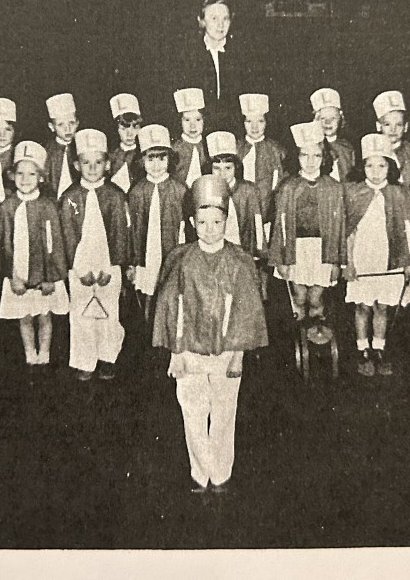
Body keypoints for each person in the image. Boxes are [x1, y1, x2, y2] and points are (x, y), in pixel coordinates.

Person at [152, 174, 268, 494]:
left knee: (224, 408)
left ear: (226, 220)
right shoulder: (179, 259)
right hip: (188, 348)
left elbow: (247, 311)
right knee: (192, 408)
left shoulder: (240, 261)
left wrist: (238, 355)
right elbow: (170, 307)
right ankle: (199, 471)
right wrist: (176, 353)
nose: (210, 229)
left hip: (227, 350)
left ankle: (221, 472)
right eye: (202, 222)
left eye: (216, 221)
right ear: (192, 222)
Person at [343, 134, 410, 377]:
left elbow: (408, 229)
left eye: (382, 165)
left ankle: (379, 348)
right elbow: (348, 233)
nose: (376, 172)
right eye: (370, 165)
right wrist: (349, 262)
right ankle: (361, 348)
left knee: (382, 308)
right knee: (363, 306)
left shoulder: (399, 194)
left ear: (391, 167)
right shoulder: (354, 193)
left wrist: (408, 262)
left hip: (389, 259)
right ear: (362, 167)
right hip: (363, 257)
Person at [0, 140, 69, 368]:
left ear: (41, 177)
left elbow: (56, 246)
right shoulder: (6, 207)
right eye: (20, 174)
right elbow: (0, 243)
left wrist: (51, 277)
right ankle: (29, 353)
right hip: (17, 274)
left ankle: (44, 352)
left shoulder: (48, 207)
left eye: (32, 174)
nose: (25, 180)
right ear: (12, 176)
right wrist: (8, 275)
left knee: (45, 316)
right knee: (24, 317)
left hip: (43, 275)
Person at [59, 129, 131, 381]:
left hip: (108, 265)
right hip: (79, 267)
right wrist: (77, 270)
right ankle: (84, 360)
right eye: (86, 163)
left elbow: (121, 233)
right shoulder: (69, 197)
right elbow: (66, 235)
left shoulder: (115, 195)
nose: (92, 168)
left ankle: (107, 356)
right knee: (80, 313)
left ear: (108, 164)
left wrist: (114, 267)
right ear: (77, 165)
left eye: (98, 162)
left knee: (109, 311)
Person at [269, 120, 346, 346]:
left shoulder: (333, 187)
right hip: (297, 250)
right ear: (297, 157)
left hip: (323, 250)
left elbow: (339, 227)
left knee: (315, 297)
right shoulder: (288, 187)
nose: (311, 162)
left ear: (325, 158)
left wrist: (337, 263)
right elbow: (280, 226)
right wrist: (281, 259)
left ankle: (317, 337)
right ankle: (298, 338)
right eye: (305, 155)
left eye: (317, 156)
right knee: (299, 296)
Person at [128, 125, 188, 320]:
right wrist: (133, 262)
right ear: (142, 160)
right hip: (146, 252)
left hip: (172, 250)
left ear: (170, 160)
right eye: (150, 158)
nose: (156, 164)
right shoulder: (137, 191)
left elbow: (187, 227)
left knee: (172, 295)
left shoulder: (179, 189)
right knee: (147, 293)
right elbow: (133, 230)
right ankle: (149, 337)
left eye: (162, 158)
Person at [180, 0, 243, 129]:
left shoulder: (241, 55)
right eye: (214, 19)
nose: (221, 25)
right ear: (201, 21)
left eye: (225, 19)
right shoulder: (187, 55)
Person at [206, 131, 265, 259]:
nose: (222, 174)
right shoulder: (206, 191)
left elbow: (257, 225)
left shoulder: (248, 190)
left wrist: (258, 253)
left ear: (236, 168)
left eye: (228, 168)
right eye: (217, 168)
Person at [236, 92, 286, 240]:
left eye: (260, 121)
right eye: (249, 121)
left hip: (267, 212)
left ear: (267, 122)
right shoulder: (236, 147)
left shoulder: (276, 149)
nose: (254, 127)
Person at [372, 90, 410, 191]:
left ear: (406, 127)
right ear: (378, 126)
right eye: (387, 124)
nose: (393, 129)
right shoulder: (373, 152)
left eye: (398, 125)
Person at [310, 87, 355, 182]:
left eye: (333, 118)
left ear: (340, 118)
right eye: (323, 118)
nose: (327, 122)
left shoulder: (348, 148)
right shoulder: (311, 148)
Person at [44, 92, 80, 199]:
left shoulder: (81, 148)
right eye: (61, 125)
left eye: (71, 123)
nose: (67, 129)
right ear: (51, 127)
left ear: (77, 123)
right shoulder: (46, 151)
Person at [171, 87, 209, 188]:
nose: (193, 126)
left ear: (204, 121)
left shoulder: (208, 147)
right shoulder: (174, 148)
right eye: (187, 120)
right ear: (179, 122)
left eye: (198, 119)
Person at [108, 93, 144, 193]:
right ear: (117, 129)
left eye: (135, 127)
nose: (130, 134)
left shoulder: (143, 156)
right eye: (124, 128)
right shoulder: (111, 156)